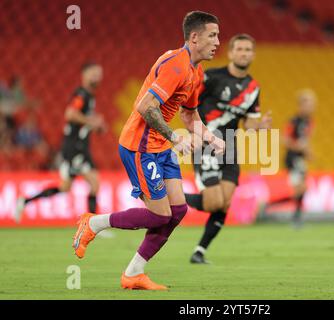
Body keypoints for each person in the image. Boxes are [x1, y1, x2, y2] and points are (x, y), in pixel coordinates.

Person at [71, 11, 225, 290]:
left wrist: (211, 138)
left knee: (177, 211)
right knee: (159, 215)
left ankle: (133, 273)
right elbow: (145, 106)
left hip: (160, 145)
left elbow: (190, 116)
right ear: (194, 37)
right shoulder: (175, 65)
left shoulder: (195, 72)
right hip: (139, 145)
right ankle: (94, 223)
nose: (218, 41)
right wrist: (175, 138)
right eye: (212, 35)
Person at [184, 34, 272, 264]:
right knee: (214, 202)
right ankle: (169, 197)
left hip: (230, 146)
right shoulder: (211, 78)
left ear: (252, 54)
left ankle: (199, 252)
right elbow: (187, 105)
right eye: (239, 49)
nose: (244, 53)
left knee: (225, 202)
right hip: (207, 143)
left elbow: (249, 124)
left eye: (248, 49)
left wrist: (260, 126)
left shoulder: (252, 88)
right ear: (231, 53)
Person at [14, 62, 106, 222]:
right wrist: (91, 121)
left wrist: (96, 126)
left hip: (80, 147)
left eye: (99, 73)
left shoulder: (90, 96)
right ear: (84, 75)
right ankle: (92, 225)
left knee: (65, 187)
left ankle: (25, 201)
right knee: (94, 182)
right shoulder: (81, 95)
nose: (97, 76)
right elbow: (70, 114)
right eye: (94, 73)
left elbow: (82, 121)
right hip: (75, 148)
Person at [258, 89, 315, 227]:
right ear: (301, 105)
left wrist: (307, 152)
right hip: (292, 158)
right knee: (300, 189)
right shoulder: (294, 121)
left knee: (301, 189)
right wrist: (299, 148)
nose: (311, 107)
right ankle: (284, 212)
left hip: (300, 159)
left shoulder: (310, 121)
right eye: (308, 104)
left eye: (312, 104)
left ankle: (276, 208)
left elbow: (305, 141)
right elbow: (284, 139)